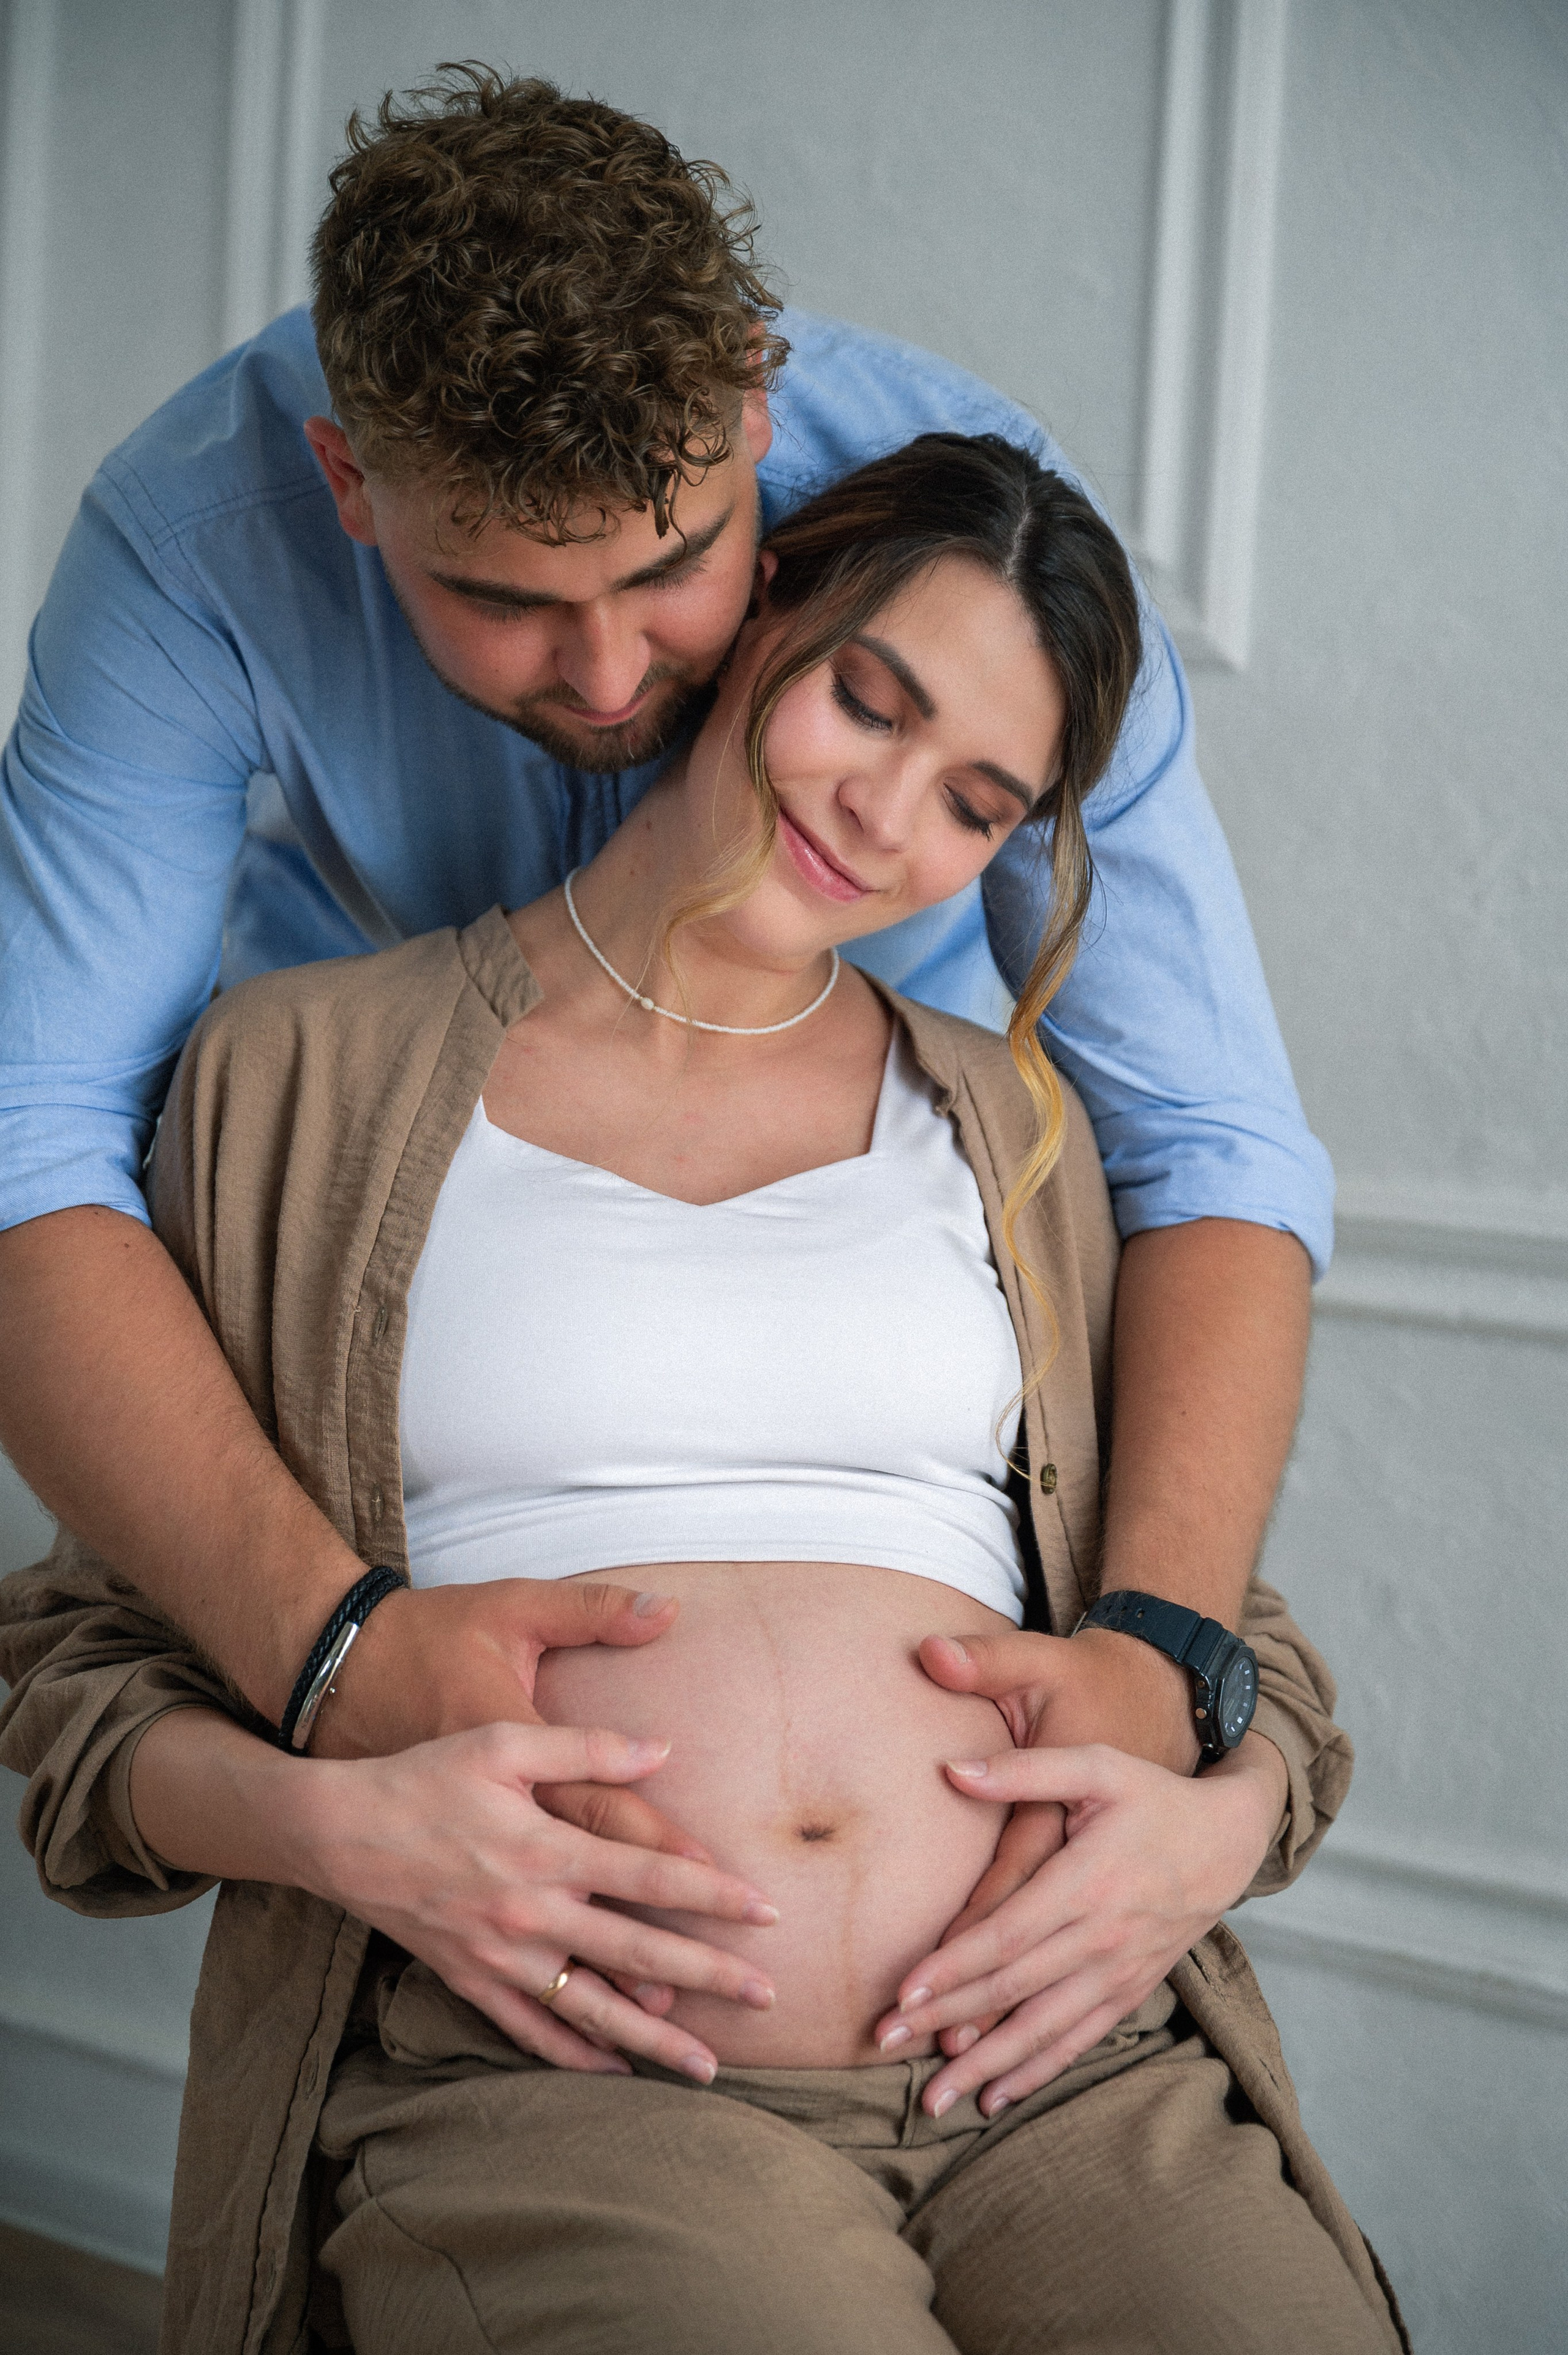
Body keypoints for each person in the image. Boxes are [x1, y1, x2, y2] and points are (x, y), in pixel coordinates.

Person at [1, 434, 1401, 2355]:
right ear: (759, 619)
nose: (887, 807)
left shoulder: (1017, 1139)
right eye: (869, 700)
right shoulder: (295, 1080)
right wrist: (343, 1829)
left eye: (978, 797)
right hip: (565, 2087)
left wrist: (1220, 1821)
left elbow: (1221, 1638)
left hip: (1067, 2069)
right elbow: (85, 1672)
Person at [0, 71, 1329, 1957]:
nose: (616, 675)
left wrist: (1162, 1646)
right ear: (349, 486)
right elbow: (24, 1134)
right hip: (415, 1205)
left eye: (673, 567)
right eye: (505, 601)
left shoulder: (976, 528)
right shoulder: (191, 539)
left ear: (758, 415)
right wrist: (334, 1651)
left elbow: (1214, 1139)